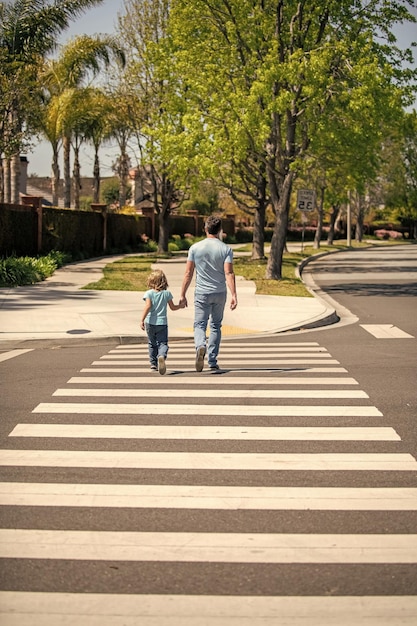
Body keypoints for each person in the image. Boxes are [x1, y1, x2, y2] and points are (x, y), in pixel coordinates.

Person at [179, 215, 237, 371]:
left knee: (199, 324)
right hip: (220, 292)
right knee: (216, 326)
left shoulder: (195, 248)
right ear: (219, 230)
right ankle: (212, 360)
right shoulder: (226, 249)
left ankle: (200, 346)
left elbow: (188, 273)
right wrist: (234, 295)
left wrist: (182, 294)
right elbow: (229, 273)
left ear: (205, 228)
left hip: (202, 293)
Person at [141, 269, 183, 375]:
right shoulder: (166, 294)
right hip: (162, 323)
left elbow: (148, 306)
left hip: (150, 322)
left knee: (152, 343)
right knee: (163, 343)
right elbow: (172, 307)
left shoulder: (148, 294)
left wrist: (142, 319)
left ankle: (153, 363)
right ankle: (162, 356)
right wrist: (181, 306)